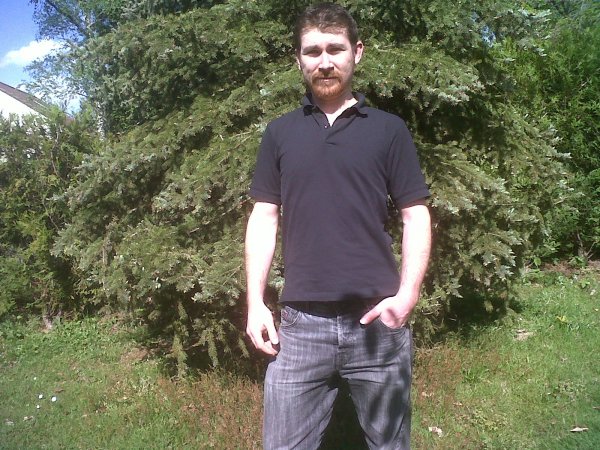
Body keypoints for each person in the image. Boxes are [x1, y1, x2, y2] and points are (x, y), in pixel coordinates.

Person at [245, 3, 431, 449]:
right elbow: (264, 216)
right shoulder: (280, 133)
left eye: (335, 49)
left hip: (377, 322)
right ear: (299, 59)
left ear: (356, 52)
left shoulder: (389, 130)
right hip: (300, 326)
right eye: (313, 51)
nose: (324, 61)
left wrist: (407, 296)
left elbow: (415, 215)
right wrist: (255, 303)